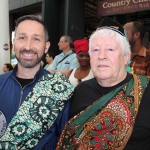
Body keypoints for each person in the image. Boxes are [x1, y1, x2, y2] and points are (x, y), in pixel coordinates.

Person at [56, 18, 150, 150]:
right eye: (95, 50)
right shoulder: (80, 91)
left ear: (125, 58)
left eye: (110, 49)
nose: (101, 56)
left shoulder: (145, 90)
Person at [0, 15, 74, 150]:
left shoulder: (60, 90)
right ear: (14, 43)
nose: (28, 46)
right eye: (22, 38)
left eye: (36, 39)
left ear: (46, 47)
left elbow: (64, 142)